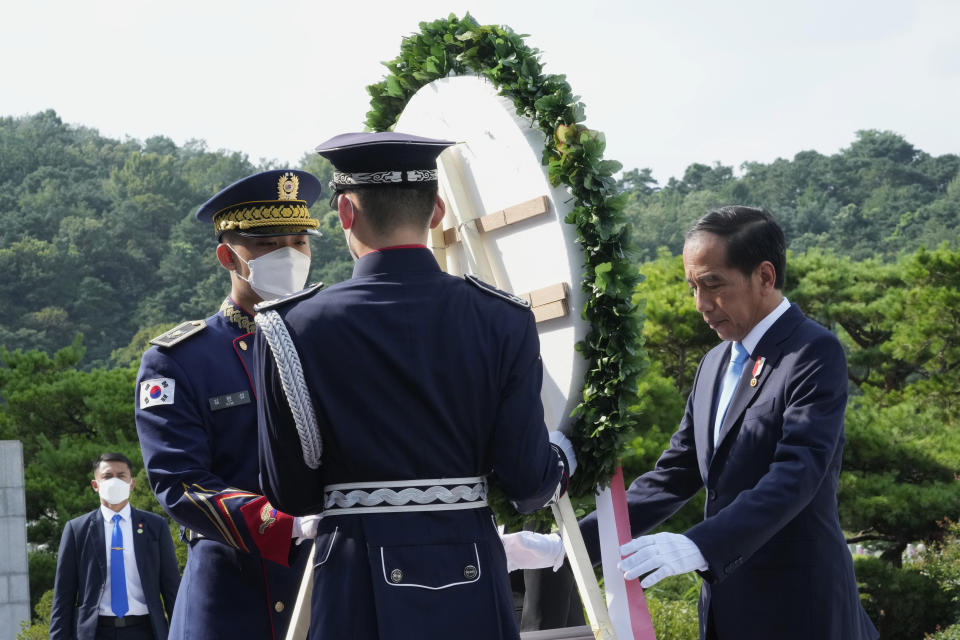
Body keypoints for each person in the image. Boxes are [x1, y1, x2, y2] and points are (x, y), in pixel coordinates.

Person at [252, 132, 576, 640]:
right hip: (469, 568)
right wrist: (560, 460)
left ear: (344, 212)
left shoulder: (288, 326)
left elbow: (290, 493)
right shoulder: (503, 318)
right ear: (437, 211)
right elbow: (528, 482)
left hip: (355, 573)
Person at [568, 206, 877, 639]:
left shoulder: (812, 352)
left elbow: (797, 473)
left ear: (765, 277)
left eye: (713, 285)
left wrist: (700, 544)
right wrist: (570, 544)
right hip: (727, 605)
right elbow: (676, 474)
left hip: (799, 605)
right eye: (693, 286)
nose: (700, 304)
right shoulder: (714, 362)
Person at [134, 170, 323, 640]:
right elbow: (180, 483)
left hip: (325, 577)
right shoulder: (179, 359)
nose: (289, 255)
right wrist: (286, 526)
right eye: (267, 244)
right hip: (234, 592)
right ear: (228, 256)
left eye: (299, 240)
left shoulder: (329, 340)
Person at [50, 452, 179, 640]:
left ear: (131, 483)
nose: (115, 481)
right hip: (95, 631)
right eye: (108, 476)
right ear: (95, 485)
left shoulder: (155, 526)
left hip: (145, 630)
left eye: (121, 476)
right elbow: (63, 595)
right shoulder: (77, 530)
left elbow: (171, 587)